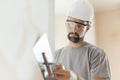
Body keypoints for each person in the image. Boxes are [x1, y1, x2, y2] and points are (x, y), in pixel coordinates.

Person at [53, 0, 111, 80]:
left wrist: (75, 78)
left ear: (87, 28)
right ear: (66, 23)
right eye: (71, 23)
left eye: (79, 26)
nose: (73, 30)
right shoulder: (56, 55)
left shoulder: (97, 54)